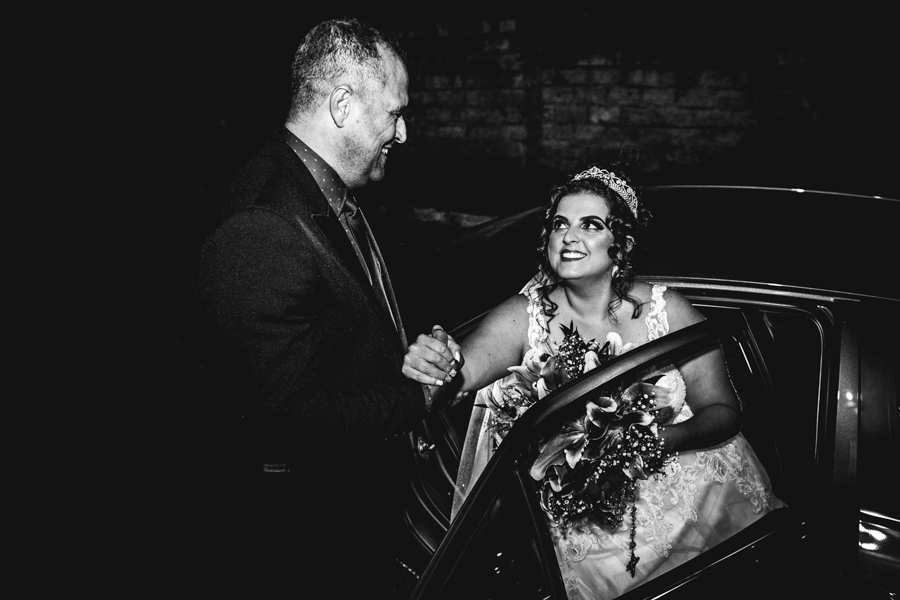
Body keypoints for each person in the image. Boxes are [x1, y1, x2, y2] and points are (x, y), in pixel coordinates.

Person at [404, 163, 784, 599]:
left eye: (590, 225)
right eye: (559, 224)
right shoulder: (521, 317)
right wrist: (438, 360)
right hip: (596, 540)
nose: (568, 237)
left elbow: (723, 411)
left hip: (707, 505)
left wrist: (655, 442)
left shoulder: (669, 311)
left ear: (621, 245)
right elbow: (461, 374)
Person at [196, 18, 459, 597]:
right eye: (394, 113)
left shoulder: (322, 188)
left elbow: (342, 333)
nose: (403, 133)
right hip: (306, 535)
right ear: (342, 105)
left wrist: (408, 353)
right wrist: (416, 398)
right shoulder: (261, 227)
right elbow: (285, 416)